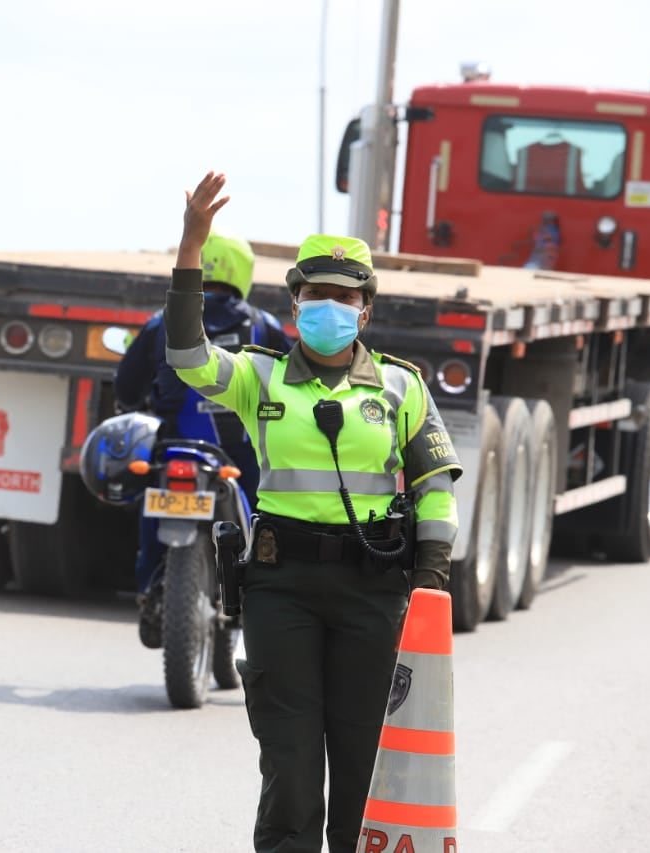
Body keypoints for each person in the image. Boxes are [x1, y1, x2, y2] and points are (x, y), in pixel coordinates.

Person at [164, 172, 462, 853]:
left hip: (373, 591)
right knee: (291, 765)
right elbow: (186, 355)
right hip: (283, 587)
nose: (330, 306)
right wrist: (191, 247)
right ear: (294, 303)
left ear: (366, 310)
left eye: (345, 296)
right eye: (316, 294)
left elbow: (436, 485)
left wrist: (430, 578)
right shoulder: (258, 375)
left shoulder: (401, 387)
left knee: (363, 764)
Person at [114, 229, 292, 648]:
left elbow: (127, 385)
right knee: (265, 516)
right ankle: (257, 591)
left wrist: (129, 404)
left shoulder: (162, 323)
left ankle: (149, 590)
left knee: (152, 506)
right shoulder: (263, 326)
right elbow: (291, 385)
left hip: (175, 446)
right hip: (239, 455)